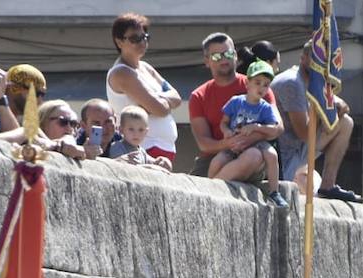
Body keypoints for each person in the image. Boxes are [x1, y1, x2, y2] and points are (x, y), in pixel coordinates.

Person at [270, 43, 361, 202]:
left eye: (323, 62)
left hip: (298, 151)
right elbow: (305, 134)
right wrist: (321, 107)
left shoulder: (314, 83)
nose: (319, 66)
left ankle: (327, 186)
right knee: (340, 121)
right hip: (282, 157)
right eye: (315, 60)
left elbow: (344, 108)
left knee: (345, 122)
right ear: (303, 58)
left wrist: (333, 103)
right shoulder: (291, 82)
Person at [188, 32, 278, 182]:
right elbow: (204, 143)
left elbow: (277, 127)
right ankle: (215, 190)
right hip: (214, 158)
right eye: (217, 56)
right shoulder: (199, 96)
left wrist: (249, 138)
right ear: (207, 61)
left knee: (253, 156)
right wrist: (229, 143)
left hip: (251, 153)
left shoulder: (258, 85)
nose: (224, 59)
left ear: (235, 55)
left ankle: (212, 192)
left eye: (228, 54)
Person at [106, 12, 181, 163]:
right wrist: (161, 102)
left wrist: (157, 99)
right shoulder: (122, 72)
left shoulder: (146, 67)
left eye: (145, 37)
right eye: (135, 38)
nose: (142, 42)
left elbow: (177, 97)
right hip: (143, 151)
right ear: (119, 42)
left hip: (163, 149)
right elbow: (161, 109)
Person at [213, 60, 288, 207]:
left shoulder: (265, 108)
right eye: (257, 82)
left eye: (266, 84)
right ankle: (210, 186)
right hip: (234, 144)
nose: (261, 87)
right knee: (217, 161)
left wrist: (256, 127)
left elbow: (273, 129)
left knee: (272, 154)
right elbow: (223, 122)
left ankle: (274, 192)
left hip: (256, 144)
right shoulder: (236, 102)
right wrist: (227, 132)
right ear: (247, 84)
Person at [107, 105, 172, 170]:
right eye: (131, 129)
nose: (136, 134)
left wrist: (162, 161)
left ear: (146, 132)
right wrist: (149, 167)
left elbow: (154, 162)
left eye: (141, 130)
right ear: (121, 130)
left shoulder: (142, 151)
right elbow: (119, 168)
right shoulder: (117, 147)